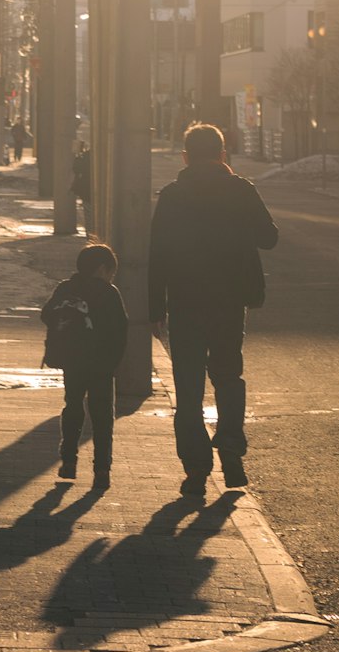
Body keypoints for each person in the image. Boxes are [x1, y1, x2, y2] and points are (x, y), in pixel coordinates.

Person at [147, 121, 278, 499]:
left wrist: (155, 308)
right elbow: (269, 238)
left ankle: (195, 470)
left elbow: (158, 254)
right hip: (230, 300)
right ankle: (232, 452)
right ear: (223, 155)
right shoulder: (240, 190)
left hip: (185, 302)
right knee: (228, 376)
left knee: (188, 388)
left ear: (186, 156)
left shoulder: (173, 195)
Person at [40, 242, 127, 489]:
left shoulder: (67, 288)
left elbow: (46, 314)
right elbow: (121, 329)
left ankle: (68, 461)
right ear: (102, 269)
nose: (111, 277)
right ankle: (101, 470)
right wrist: (115, 362)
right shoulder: (109, 293)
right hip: (101, 365)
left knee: (73, 407)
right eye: (111, 272)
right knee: (102, 418)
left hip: (72, 361)